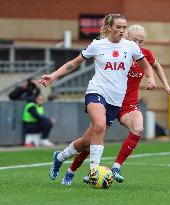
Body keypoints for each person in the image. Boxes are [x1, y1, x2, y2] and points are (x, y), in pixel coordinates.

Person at [38, 14, 156, 181]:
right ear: (109, 28)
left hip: (115, 100)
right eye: (118, 27)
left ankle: (60, 158)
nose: (122, 31)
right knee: (99, 125)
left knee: (87, 141)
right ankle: (94, 172)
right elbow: (75, 62)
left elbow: (146, 65)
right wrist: (54, 75)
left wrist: (150, 77)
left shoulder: (131, 47)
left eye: (124, 27)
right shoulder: (97, 45)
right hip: (97, 92)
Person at [61, 24, 170, 186]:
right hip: (108, 101)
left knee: (138, 128)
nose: (138, 44)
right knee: (90, 141)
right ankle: (71, 171)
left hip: (127, 105)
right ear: (126, 39)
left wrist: (166, 86)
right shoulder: (117, 53)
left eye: (141, 42)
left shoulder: (143, 55)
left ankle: (116, 167)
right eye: (135, 40)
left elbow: (155, 66)